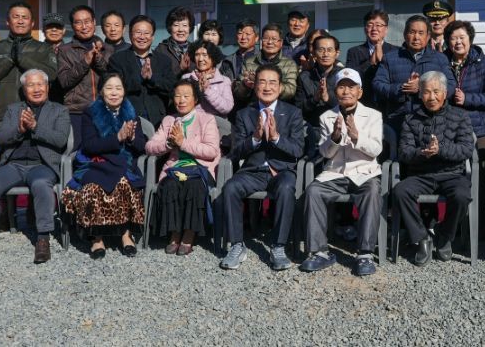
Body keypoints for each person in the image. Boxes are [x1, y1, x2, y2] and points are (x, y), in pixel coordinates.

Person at [0, 69, 70, 266]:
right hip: (14, 164)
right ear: (24, 90)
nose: (36, 89)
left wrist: (35, 127)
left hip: (42, 165)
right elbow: (0, 138)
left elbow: (60, 140)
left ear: (47, 87)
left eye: (40, 84)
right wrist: (19, 129)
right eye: (31, 85)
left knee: (41, 185)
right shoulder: (13, 110)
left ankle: (43, 238)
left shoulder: (60, 110)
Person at [220, 64, 305, 271]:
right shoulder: (243, 114)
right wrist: (255, 139)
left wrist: (276, 138)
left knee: (286, 189)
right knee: (230, 187)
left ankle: (278, 246)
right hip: (253, 172)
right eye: (262, 82)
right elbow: (236, 152)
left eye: (272, 82)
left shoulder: (292, 113)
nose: (267, 87)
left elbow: (298, 149)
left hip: (282, 171)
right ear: (255, 85)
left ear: (280, 86)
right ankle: (237, 245)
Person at [300, 68, 383, 276]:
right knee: (313, 192)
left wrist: (356, 136)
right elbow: (325, 153)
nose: (346, 91)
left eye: (351, 87)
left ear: (360, 92)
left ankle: (364, 254)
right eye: (342, 87)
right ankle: (319, 252)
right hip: (335, 173)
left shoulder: (373, 115)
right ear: (335, 91)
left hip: (364, 172)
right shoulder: (327, 116)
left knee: (372, 191)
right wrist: (335, 137)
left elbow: (376, 150)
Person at [393, 71, 475, 266]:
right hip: (421, 173)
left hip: (452, 173)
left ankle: (445, 235)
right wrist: (422, 153)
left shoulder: (460, 115)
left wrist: (441, 150)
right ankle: (422, 237)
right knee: (400, 191)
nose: (431, 97)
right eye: (427, 92)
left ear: (445, 93)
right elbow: (404, 152)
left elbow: (466, 149)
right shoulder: (410, 119)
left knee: (462, 195)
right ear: (420, 94)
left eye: (436, 91)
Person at [61, 73, 146, 259]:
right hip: (96, 162)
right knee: (93, 188)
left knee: (124, 184)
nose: (114, 92)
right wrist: (117, 138)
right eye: (109, 88)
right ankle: (96, 238)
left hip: (123, 162)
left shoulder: (132, 114)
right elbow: (90, 145)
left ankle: (125, 234)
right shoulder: (90, 113)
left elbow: (141, 146)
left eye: (118, 88)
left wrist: (131, 137)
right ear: (101, 91)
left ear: (124, 92)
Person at [145, 79, 221, 255]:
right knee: (170, 186)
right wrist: (169, 145)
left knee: (193, 187)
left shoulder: (206, 119)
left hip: (200, 169)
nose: (181, 100)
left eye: (186, 96)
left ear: (195, 99)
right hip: (174, 168)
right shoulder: (169, 120)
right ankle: (174, 233)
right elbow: (149, 147)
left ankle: (189, 234)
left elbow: (211, 151)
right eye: (178, 96)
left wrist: (183, 143)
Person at [444, 20, 485, 238]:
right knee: (454, 177)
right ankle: (456, 225)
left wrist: (468, 98)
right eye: (453, 38)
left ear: (470, 39)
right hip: (451, 128)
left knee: (481, 177)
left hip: (480, 127)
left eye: (462, 37)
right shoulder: (443, 62)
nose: (458, 42)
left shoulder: (483, 63)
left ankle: (481, 227)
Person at [0, 1, 58, 128]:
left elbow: (51, 75)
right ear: (7, 22)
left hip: (37, 116)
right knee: (6, 148)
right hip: (5, 116)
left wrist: (22, 60)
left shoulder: (44, 48)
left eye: (25, 17)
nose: (20, 21)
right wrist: (9, 60)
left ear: (32, 23)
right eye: (16, 17)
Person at [373, 15, 456, 133]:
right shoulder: (390, 58)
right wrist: (402, 88)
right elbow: (378, 84)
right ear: (405, 34)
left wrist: (425, 89)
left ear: (428, 36)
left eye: (421, 33)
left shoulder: (440, 59)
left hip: (433, 121)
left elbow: (451, 85)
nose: (416, 37)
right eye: (412, 32)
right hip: (399, 121)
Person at [57, 5, 114, 148]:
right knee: (77, 154)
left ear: (94, 22)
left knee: (103, 152)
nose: (84, 26)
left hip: (105, 109)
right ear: (72, 26)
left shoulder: (108, 49)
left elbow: (110, 75)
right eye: (78, 22)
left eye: (87, 21)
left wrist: (97, 57)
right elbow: (64, 81)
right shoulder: (64, 51)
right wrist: (85, 62)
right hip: (77, 112)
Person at [108, 15, 177, 128]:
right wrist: (140, 77)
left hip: (157, 120)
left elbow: (171, 88)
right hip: (127, 119)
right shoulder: (117, 59)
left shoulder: (164, 60)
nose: (142, 37)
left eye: (146, 33)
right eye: (138, 32)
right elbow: (114, 88)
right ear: (130, 35)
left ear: (153, 36)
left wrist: (152, 78)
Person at [233, 23, 298, 104]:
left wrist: (274, 85)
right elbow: (238, 93)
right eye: (266, 39)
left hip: (280, 109)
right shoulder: (249, 62)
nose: (270, 42)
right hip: (254, 107)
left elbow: (291, 90)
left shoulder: (289, 64)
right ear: (261, 41)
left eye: (274, 39)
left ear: (281, 43)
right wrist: (246, 86)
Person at [294, 33, 344, 137]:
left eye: (330, 50)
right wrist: (314, 99)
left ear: (337, 53)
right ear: (314, 53)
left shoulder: (344, 76)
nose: (325, 54)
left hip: (339, 128)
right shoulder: (304, 77)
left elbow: (349, 106)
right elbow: (298, 109)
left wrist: (328, 98)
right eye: (321, 50)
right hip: (311, 129)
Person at [346, 9, 396, 110]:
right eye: (370, 25)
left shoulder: (396, 51)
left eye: (378, 25)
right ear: (365, 29)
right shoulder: (354, 52)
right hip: (364, 103)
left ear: (386, 29)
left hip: (389, 104)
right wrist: (369, 63)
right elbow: (351, 78)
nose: (374, 29)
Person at [182, 40, 234, 118]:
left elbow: (227, 107)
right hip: (193, 123)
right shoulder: (186, 78)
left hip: (217, 124)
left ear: (213, 57)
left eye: (204, 55)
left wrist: (207, 91)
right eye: (197, 55)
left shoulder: (224, 80)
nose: (200, 59)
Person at [154, 6, 195, 77]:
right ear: (170, 27)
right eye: (176, 25)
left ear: (190, 28)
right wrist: (180, 69)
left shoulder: (195, 49)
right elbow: (159, 78)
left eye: (185, 25)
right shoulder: (161, 50)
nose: (180, 29)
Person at [227, 19, 259, 83]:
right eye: (240, 33)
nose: (243, 37)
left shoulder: (262, 59)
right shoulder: (227, 61)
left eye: (248, 34)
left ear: (256, 38)